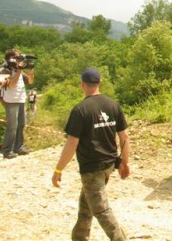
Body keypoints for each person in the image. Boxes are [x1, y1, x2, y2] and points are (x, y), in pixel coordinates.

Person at [52, 67, 130, 241]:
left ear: (82, 85)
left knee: (101, 210)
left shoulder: (80, 110)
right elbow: (124, 136)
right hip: (109, 165)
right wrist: (124, 162)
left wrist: (58, 170)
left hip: (92, 168)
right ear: (100, 82)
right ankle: (79, 237)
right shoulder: (112, 105)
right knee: (87, 206)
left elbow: (72, 143)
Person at [0, 49, 34, 158]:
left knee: (21, 124)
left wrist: (31, 69)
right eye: (17, 58)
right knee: (12, 126)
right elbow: (11, 85)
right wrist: (19, 70)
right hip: (10, 100)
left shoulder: (19, 71)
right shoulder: (5, 70)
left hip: (20, 99)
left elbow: (30, 81)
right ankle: (7, 150)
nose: (19, 60)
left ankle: (19, 147)